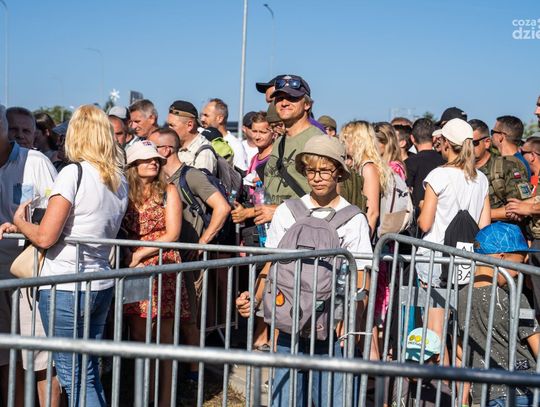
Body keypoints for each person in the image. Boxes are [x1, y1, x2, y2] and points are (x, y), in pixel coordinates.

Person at [236, 135, 372, 407]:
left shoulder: (354, 218)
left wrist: (353, 324)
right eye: (311, 170)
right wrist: (255, 297)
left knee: (332, 400)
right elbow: (272, 263)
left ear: (339, 172)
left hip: (333, 327)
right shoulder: (287, 211)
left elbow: (360, 274)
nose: (317, 178)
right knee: (286, 398)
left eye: (325, 170)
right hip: (289, 321)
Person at [7, 105, 128, 406]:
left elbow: (46, 236)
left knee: (75, 377)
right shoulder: (118, 179)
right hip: (99, 281)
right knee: (87, 373)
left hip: (66, 286)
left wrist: (20, 221)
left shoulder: (73, 173)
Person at [0, 104, 60, 406]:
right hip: (1, 277)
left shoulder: (35, 162)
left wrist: (23, 226)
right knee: (5, 357)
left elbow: (57, 212)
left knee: (40, 359)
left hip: (29, 274)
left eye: (25, 130)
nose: (19, 135)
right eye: (14, 129)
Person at [122, 140, 189, 406]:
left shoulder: (168, 191)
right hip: (133, 268)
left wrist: (139, 254)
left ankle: (165, 400)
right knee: (139, 335)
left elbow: (172, 233)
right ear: (133, 164)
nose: (153, 162)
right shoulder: (123, 191)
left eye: (156, 159)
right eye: (146, 158)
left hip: (163, 265)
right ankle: (144, 397)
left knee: (164, 338)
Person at [417, 118, 490, 341]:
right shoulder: (481, 179)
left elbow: (425, 224)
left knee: (434, 331)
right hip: (466, 258)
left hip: (435, 255)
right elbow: (484, 226)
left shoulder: (438, 175)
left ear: (446, 143)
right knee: (458, 330)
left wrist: (421, 208)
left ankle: (439, 366)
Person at [457, 222, 540, 406]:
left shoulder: (459, 298)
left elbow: (460, 350)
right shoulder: (514, 297)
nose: (518, 273)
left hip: (485, 393)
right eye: (518, 265)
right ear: (501, 258)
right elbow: (537, 344)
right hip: (524, 391)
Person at [260, 74, 325, 224]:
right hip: (275, 228)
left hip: (304, 229)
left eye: (292, 98)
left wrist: (279, 211)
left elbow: (325, 199)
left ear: (307, 104)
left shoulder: (317, 141)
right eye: (279, 98)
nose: (284, 103)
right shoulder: (279, 141)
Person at [470, 119, 531, 222]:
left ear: (487, 142)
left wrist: (476, 215)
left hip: (499, 230)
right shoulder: (459, 171)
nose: (468, 147)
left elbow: (520, 208)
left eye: (473, 143)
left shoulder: (507, 166)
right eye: (464, 143)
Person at [340, 120, 393, 235]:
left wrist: (365, 240)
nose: (343, 143)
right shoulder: (357, 166)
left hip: (364, 234)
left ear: (358, 140)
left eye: (346, 138)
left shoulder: (368, 168)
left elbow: (372, 212)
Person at [166, 100, 217, 174]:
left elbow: (201, 181)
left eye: (172, 125)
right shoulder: (173, 146)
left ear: (190, 125)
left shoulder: (204, 152)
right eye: (168, 125)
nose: (169, 129)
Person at [405, 118, 445, 209]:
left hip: (418, 213)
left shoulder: (408, 163)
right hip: (442, 212)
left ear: (412, 138)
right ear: (434, 138)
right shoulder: (445, 162)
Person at [201, 98, 248, 171]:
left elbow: (241, 174)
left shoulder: (235, 145)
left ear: (220, 118)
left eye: (206, 115)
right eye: (202, 115)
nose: (202, 119)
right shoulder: (200, 138)